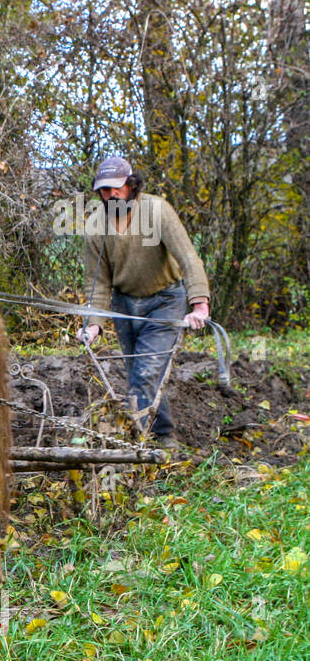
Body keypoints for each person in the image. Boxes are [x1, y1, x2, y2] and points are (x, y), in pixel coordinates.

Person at [74, 156, 210, 448]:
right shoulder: (96, 225)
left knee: (146, 372)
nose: (111, 195)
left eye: (116, 188)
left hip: (164, 301)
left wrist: (199, 303)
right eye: (104, 190)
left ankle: (133, 444)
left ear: (131, 186)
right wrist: (93, 325)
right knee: (141, 373)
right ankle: (164, 435)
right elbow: (97, 282)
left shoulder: (157, 211)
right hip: (124, 306)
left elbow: (187, 257)